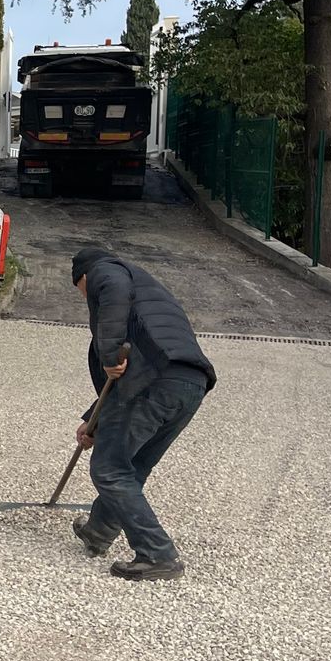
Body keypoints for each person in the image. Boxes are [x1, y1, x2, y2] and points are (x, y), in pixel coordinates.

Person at [70, 247, 216, 581]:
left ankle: (157, 554)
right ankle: (98, 531)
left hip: (154, 384)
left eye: (80, 289)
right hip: (188, 384)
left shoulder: (106, 272)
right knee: (132, 466)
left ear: (83, 277)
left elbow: (118, 365)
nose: (84, 297)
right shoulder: (145, 290)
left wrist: (107, 352)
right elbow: (125, 376)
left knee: (108, 469)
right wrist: (94, 418)